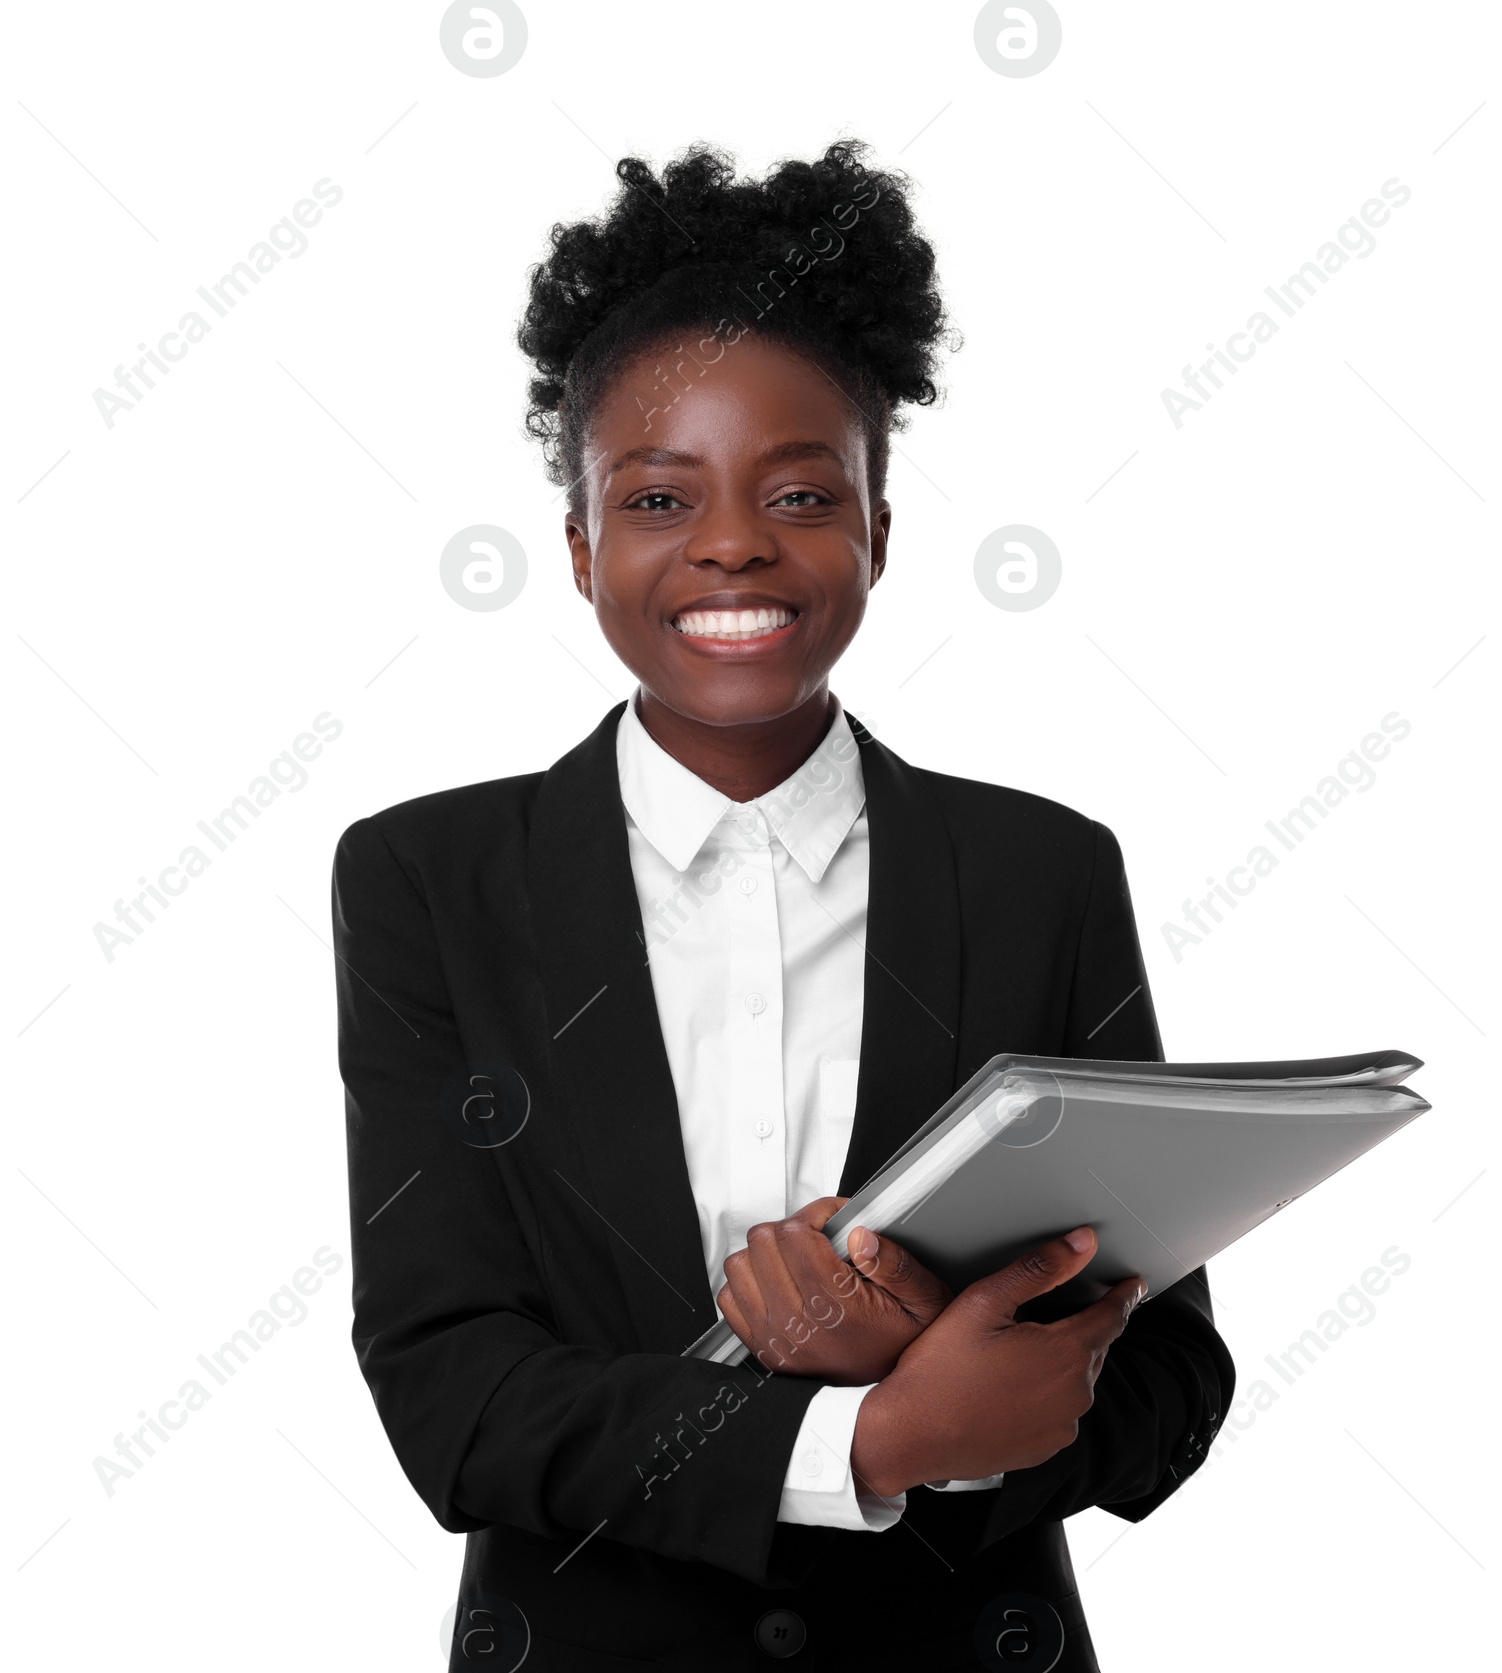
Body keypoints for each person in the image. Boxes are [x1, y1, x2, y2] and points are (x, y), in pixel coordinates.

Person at [332, 140, 1234, 1672]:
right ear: (580, 545)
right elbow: (452, 1395)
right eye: (659, 494)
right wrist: (872, 1434)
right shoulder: (430, 879)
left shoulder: (1041, 873)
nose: (734, 542)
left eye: (802, 491)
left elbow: (1164, 1389)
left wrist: (967, 1390)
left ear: (880, 527)